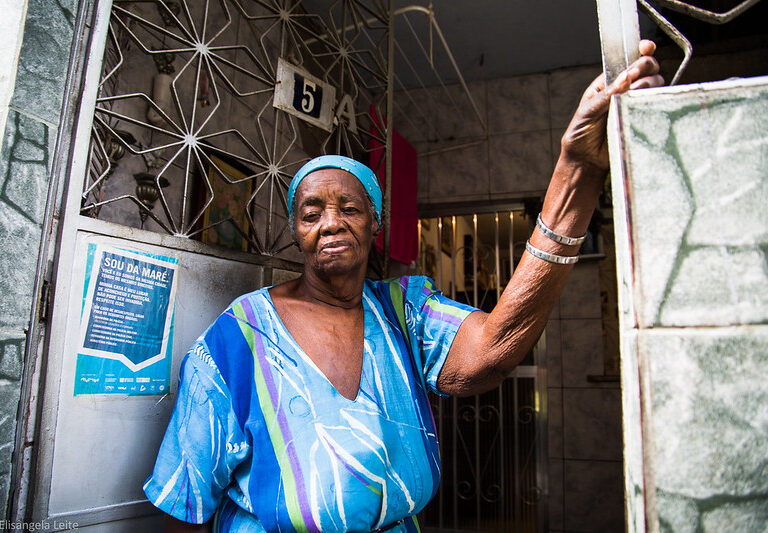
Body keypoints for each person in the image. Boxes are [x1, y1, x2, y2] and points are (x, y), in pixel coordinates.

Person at [144, 41, 663, 532]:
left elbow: (495, 351)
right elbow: (184, 503)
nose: (331, 222)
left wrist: (576, 173)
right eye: (311, 212)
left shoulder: (403, 311)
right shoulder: (238, 336)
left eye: (350, 208)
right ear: (296, 231)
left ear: (377, 225)